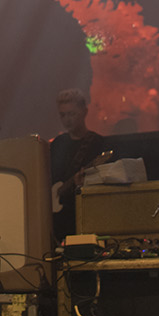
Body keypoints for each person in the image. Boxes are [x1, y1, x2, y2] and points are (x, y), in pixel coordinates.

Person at [50, 88, 106, 242]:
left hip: (86, 217)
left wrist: (83, 185)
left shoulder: (97, 143)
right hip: (59, 222)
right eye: (63, 115)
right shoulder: (57, 144)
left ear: (84, 112)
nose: (67, 119)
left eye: (72, 114)